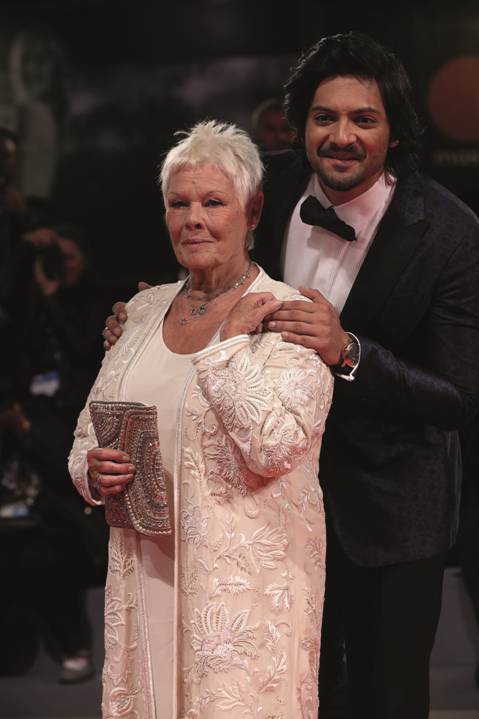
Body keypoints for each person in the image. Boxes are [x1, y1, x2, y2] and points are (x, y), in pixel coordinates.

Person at [104, 33, 479, 719]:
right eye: (323, 117)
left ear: (394, 132)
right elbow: (193, 263)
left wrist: (349, 352)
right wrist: (145, 321)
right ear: (300, 123)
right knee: (283, 694)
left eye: (362, 119)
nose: (340, 136)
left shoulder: (451, 233)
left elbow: (454, 398)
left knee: (384, 700)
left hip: (390, 514)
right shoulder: (260, 186)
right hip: (261, 506)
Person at [69, 120, 333, 718]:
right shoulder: (140, 311)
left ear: (253, 210)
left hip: (242, 603)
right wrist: (91, 470)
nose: (194, 219)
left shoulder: (288, 317)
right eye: (178, 204)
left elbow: (274, 448)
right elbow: (89, 430)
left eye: (214, 202)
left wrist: (228, 346)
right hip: (145, 580)